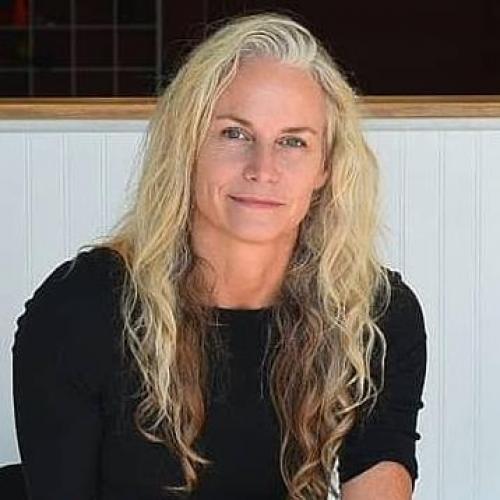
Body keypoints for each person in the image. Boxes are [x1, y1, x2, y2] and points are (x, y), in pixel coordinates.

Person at [11, 11, 427, 500]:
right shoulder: (80, 307)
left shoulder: (374, 312)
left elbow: (379, 468)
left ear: (324, 167)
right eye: (234, 133)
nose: (262, 168)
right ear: (188, 146)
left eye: (293, 141)